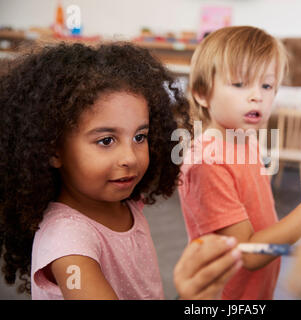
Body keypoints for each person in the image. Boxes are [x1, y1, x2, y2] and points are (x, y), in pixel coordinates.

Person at [0, 43, 242, 299]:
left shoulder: (126, 203)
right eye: (106, 141)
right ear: (53, 149)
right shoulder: (68, 246)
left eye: (140, 137)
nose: (130, 157)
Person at [178, 26, 301, 300]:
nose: (258, 96)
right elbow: (250, 253)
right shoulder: (207, 162)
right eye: (240, 84)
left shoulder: (245, 138)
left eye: (266, 85)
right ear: (202, 94)